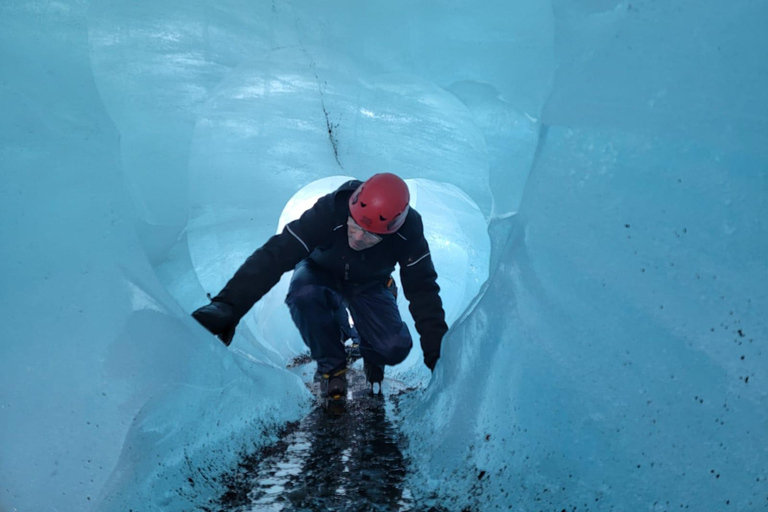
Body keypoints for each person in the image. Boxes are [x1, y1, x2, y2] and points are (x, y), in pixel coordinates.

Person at [191, 173, 448, 400]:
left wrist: (438, 353)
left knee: (394, 346)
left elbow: (423, 290)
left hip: (369, 283)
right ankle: (332, 367)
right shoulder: (332, 209)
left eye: (371, 235)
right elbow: (276, 254)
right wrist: (229, 306)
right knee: (304, 295)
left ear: (392, 230)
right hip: (320, 271)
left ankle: (371, 355)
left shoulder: (409, 233)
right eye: (355, 226)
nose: (358, 238)